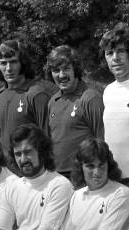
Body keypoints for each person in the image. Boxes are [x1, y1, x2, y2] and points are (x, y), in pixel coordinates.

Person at [99, 24, 129, 205]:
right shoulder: (108, 91)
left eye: (120, 51)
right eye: (109, 53)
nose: (115, 58)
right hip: (113, 181)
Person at [45, 45, 104, 178]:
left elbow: (101, 141)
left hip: (83, 175)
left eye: (66, 69)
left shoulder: (90, 98)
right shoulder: (52, 101)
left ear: (75, 70)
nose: (61, 75)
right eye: (56, 70)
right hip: (57, 175)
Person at [0, 39, 50, 158]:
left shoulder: (36, 95)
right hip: (6, 171)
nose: (8, 68)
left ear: (23, 63)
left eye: (13, 62)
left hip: (31, 168)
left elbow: (47, 139)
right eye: (3, 63)